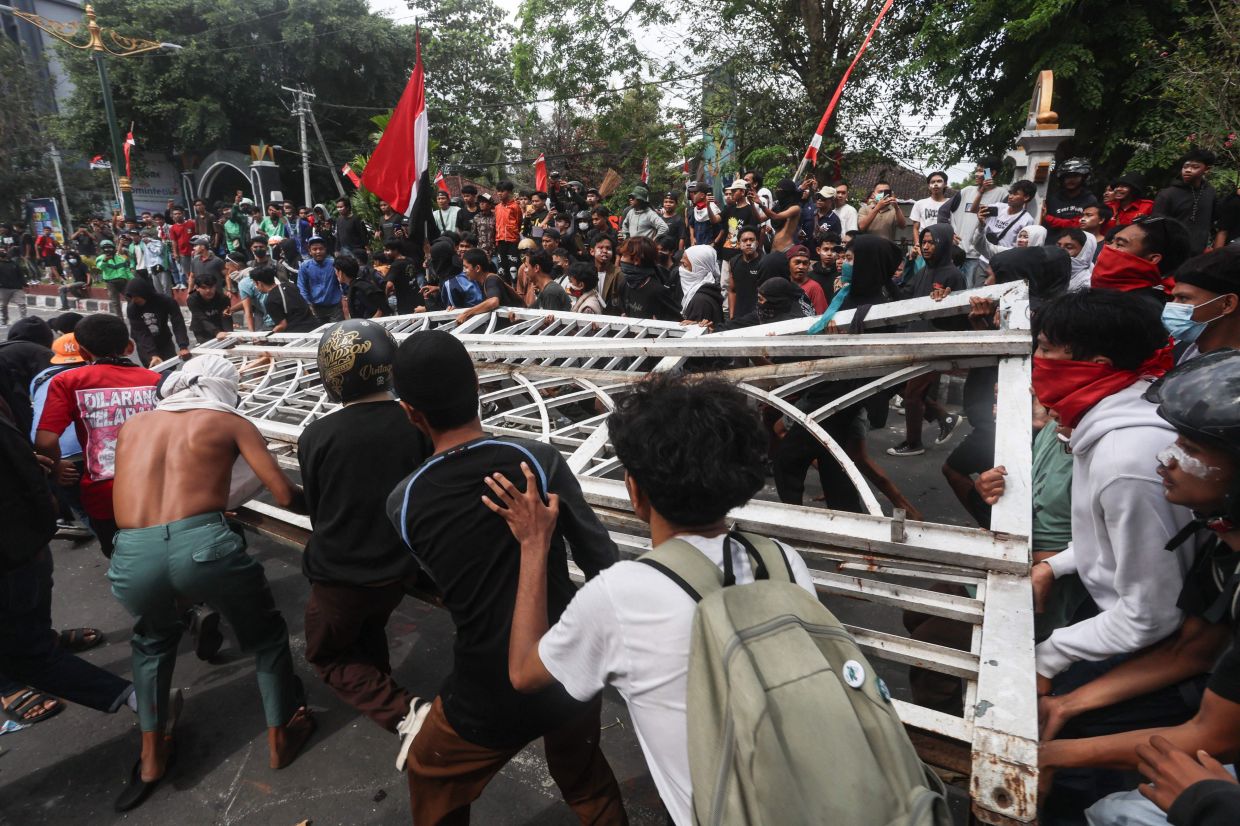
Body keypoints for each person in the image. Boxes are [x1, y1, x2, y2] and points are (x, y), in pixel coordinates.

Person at [490, 373, 817, 825]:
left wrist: (533, 543)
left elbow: (525, 673)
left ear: (635, 491)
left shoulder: (621, 595)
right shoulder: (782, 560)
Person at [385, 330, 628, 824]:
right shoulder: (537, 460)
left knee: (431, 774)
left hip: (485, 692)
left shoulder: (404, 503)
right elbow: (602, 558)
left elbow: (449, 581)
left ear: (411, 413)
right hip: (568, 668)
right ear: (477, 385)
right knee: (587, 781)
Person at [1038, 349, 1240, 826]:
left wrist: (1048, 755)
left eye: (1191, 449)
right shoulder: (1220, 537)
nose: (1165, 457)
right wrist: (1065, 705)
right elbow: (1191, 650)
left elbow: (1217, 733)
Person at [108, 355, 314, 811]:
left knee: (153, 641)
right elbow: (283, 493)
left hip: (133, 549)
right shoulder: (230, 421)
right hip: (203, 543)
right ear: (225, 388)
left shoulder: (134, 425)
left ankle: (150, 759)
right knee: (265, 637)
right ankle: (283, 733)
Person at [298, 321, 432, 767]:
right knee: (369, 627)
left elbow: (318, 512)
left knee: (327, 654)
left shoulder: (316, 435)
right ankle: (383, 683)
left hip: (339, 576)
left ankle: (404, 713)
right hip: (397, 570)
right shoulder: (415, 422)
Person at [34, 314, 160, 558]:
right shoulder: (155, 380)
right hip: (159, 487)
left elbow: (45, 441)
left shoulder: (68, 381)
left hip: (106, 497)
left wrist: (57, 467)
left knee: (124, 559)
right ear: (129, 347)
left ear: (82, 352)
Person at [887, 224, 965, 457]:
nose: (926, 247)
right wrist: (887, 278)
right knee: (900, 386)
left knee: (912, 394)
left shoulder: (954, 275)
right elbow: (904, 297)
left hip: (934, 342)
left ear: (944, 244)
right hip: (914, 337)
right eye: (924, 242)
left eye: (932, 242)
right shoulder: (923, 271)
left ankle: (913, 443)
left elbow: (958, 313)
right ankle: (945, 417)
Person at [1092, 215, 1193, 304]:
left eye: (1119, 244)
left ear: (1152, 259)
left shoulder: (1141, 310)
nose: (1108, 248)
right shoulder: (1100, 293)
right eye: (1112, 242)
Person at [1161, 248, 1240, 362]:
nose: (1172, 306)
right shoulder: (1178, 350)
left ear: (1228, 304)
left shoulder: (1233, 373)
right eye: (1173, 298)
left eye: (1183, 298)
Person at [947, 157, 1010, 286]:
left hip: (979, 256)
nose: (976, 174)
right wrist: (949, 233)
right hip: (958, 252)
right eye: (976, 170)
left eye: (981, 171)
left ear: (992, 173)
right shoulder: (966, 191)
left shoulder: (1003, 195)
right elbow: (943, 211)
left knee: (970, 291)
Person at [1153, 149, 1225, 253]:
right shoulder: (1167, 194)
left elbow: (1215, 217)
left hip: (1198, 254)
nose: (1188, 170)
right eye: (1185, 166)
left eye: (1195, 167)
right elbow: (1156, 226)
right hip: (1171, 253)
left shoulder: (1210, 192)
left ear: (1207, 169)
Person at [124, 277, 191, 368]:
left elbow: (178, 322)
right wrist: (153, 354)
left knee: (170, 368)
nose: (134, 300)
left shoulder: (165, 301)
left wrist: (183, 346)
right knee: (155, 370)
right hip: (145, 345)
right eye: (131, 298)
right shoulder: (132, 308)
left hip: (164, 340)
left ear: (144, 293)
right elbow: (141, 333)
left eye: (136, 297)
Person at [973, 179, 1037, 263]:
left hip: (1004, 263)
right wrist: (981, 193)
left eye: (1015, 194)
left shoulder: (1027, 220)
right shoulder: (998, 207)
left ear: (1026, 197)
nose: (1010, 196)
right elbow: (974, 209)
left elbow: (1022, 247)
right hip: (984, 259)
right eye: (1010, 193)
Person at [619, 236, 680, 321]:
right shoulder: (625, 284)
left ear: (636, 260)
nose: (621, 260)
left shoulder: (658, 291)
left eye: (624, 256)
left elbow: (679, 319)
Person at [1042, 158, 1099, 241]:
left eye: (1075, 176)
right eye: (1067, 177)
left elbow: (1080, 223)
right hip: (1053, 243)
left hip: (1079, 243)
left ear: (1084, 178)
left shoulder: (1090, 200)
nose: (1071, 180)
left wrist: (1048, 218)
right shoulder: (1053, 199)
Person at [250, 265, 319, 333]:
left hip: (297, 333)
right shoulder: (290, 285)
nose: (255, 286)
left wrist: (266, 337)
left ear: (259, 283)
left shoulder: (271, 300)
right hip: (315, 326)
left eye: (254, 283)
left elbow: (282, 325)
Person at [297, 237, 343, 324]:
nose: (318, 252)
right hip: (316, 308)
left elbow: (343, 282)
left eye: (321, 249)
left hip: (335, 308)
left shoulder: (334, 264)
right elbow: (302, 287)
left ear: (325, 249)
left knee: (336, 332)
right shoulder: (305, 266)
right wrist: (308, 304)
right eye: (314, 249)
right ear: (310, 251)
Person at [724, 225, 763, 320]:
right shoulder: (733, 262)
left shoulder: (764, 262)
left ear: (757, 243)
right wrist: (732, 316)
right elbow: (732, 291)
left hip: (758, 317)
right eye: (744, 240)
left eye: (751, 240)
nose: (748, 243)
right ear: (739, 244)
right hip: (739, 316)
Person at [679, 244, 724, 325]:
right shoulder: (706, 291)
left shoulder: (701, 302)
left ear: (699, 269)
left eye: (684, 265)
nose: (680, 269)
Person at [335, 255, 388, 320]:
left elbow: (381, 309)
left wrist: (367, 325)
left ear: (340, 273)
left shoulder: (358, 289)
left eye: (335, 271)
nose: (335, 274)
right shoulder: (358, 285)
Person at [758, 179, 805, 252]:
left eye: (780, 190)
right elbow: (760, 219)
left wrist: (761, 205)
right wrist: (751, 202)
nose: (777, 191)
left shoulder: (795, 208)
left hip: (789, 248)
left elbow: (776, 217)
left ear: (788, 192)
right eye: (777, 189)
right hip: (775, 247)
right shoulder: (777, 207)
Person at [186, 273, 233, 343]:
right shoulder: (192, 299)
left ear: (215, 286)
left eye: (211, 287)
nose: (208, 290)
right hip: (201, 329)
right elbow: (201, 318)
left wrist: (230, 334)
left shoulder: (223, 298)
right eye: (204, 288)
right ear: (197, 288)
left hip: (219, 325)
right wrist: (216, 332)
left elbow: (226, 317)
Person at [911, 171, 950, 244]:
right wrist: (917, 244)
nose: (935, 184)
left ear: (945, 184)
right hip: (925, 243)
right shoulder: (919, 204)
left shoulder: (951, 203)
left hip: (945, 243)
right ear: (929, 186)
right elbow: (915, 228)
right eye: (933, 182)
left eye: (939, 181)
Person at [786, 244, 827, 313]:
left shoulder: (814, 287)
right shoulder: (783, 285)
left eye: (805, 263)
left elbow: (821, 316)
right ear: (788, 264)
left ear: (809, 265)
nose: (801, 267)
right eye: (797, 262)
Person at [96, 238, 132, 317]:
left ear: (113, 248)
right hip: (111, 283)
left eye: (110, 247)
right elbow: (100, 267)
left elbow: (127, 271)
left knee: (130, 298)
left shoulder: (121, 258)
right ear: (102, 249)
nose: (108, 250)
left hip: (123, 282)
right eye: (105, 248)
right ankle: (120, 319)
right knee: (116, 303)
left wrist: (133, 281)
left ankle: (132, 315)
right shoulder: (100, 258)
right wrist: (105, 261)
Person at [686, 184, 723, 249]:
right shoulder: (695, 209)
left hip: (711, 247)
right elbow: (691, 225)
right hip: (698, 246)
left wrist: (715, 242)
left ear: (702, 195)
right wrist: (692, 237)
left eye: (695, 193)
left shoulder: (713, 208)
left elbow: (723, 228)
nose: (692, 195)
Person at [0, 247, 27, 327]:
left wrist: (25, 285)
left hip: (16, 288)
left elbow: (20, 275)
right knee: (3, 306)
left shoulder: (14, 264)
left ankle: (24, 319)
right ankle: (4, 319)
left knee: (21, 304)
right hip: (4, 288)